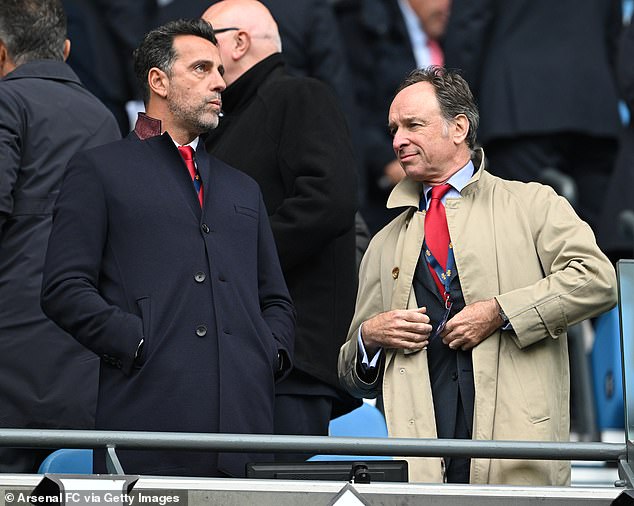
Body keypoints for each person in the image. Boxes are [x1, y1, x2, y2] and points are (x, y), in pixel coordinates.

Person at [338, 66, 617, 485]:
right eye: (394, 128)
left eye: (413, 125)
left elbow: (597, 279)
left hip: (516, 460)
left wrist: (500, 312)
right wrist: (370, 337)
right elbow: (351, 374)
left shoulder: (534, 204)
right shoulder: (383, 241)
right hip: (422, 468)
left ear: (459, 128)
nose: (397, 140)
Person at [41, 18, 295, 478]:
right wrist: (138, 342)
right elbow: (63, 287)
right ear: (158, 80)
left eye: (220, 70)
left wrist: (268, 353)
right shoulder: (99, 169)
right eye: (201, 68)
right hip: (147, 421)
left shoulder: (243, 188)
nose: (220, 82)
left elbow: (275, 298)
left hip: (246, 427)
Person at [202, 0, 360, 460]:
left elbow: (328, 201)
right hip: (246, 356)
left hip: (291, 358)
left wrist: (234, 258)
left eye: (205, 38)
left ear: (238, 42)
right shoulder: (232, 118)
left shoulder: (299, 95)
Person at [0, 0, 120, 473]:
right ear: (66, 50)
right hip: (80, 362)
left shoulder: (7, 103)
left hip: (8, 357)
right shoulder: (104, 119)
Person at [443, 0, 622, 235]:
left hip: (519, 107)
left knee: (524, 235)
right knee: (593, 237)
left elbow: (468, 29)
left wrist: (459, 108)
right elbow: (614, 32)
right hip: (593, 106)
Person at [334, 0, 451, 234]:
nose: (447, 5)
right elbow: (351, 105)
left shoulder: (440, 34)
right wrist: (386, 161)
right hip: (387, 190)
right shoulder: (365, 24)